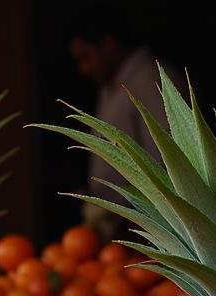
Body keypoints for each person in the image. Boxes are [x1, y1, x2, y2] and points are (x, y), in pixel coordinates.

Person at [67, 5, 173, 237]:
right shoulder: (109, 85)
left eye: (86, 56)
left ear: (109, 44)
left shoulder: (150, 80)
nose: (84, 68)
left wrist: (129, 214)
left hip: (146, 229)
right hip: (111, 230)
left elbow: (168, 165)